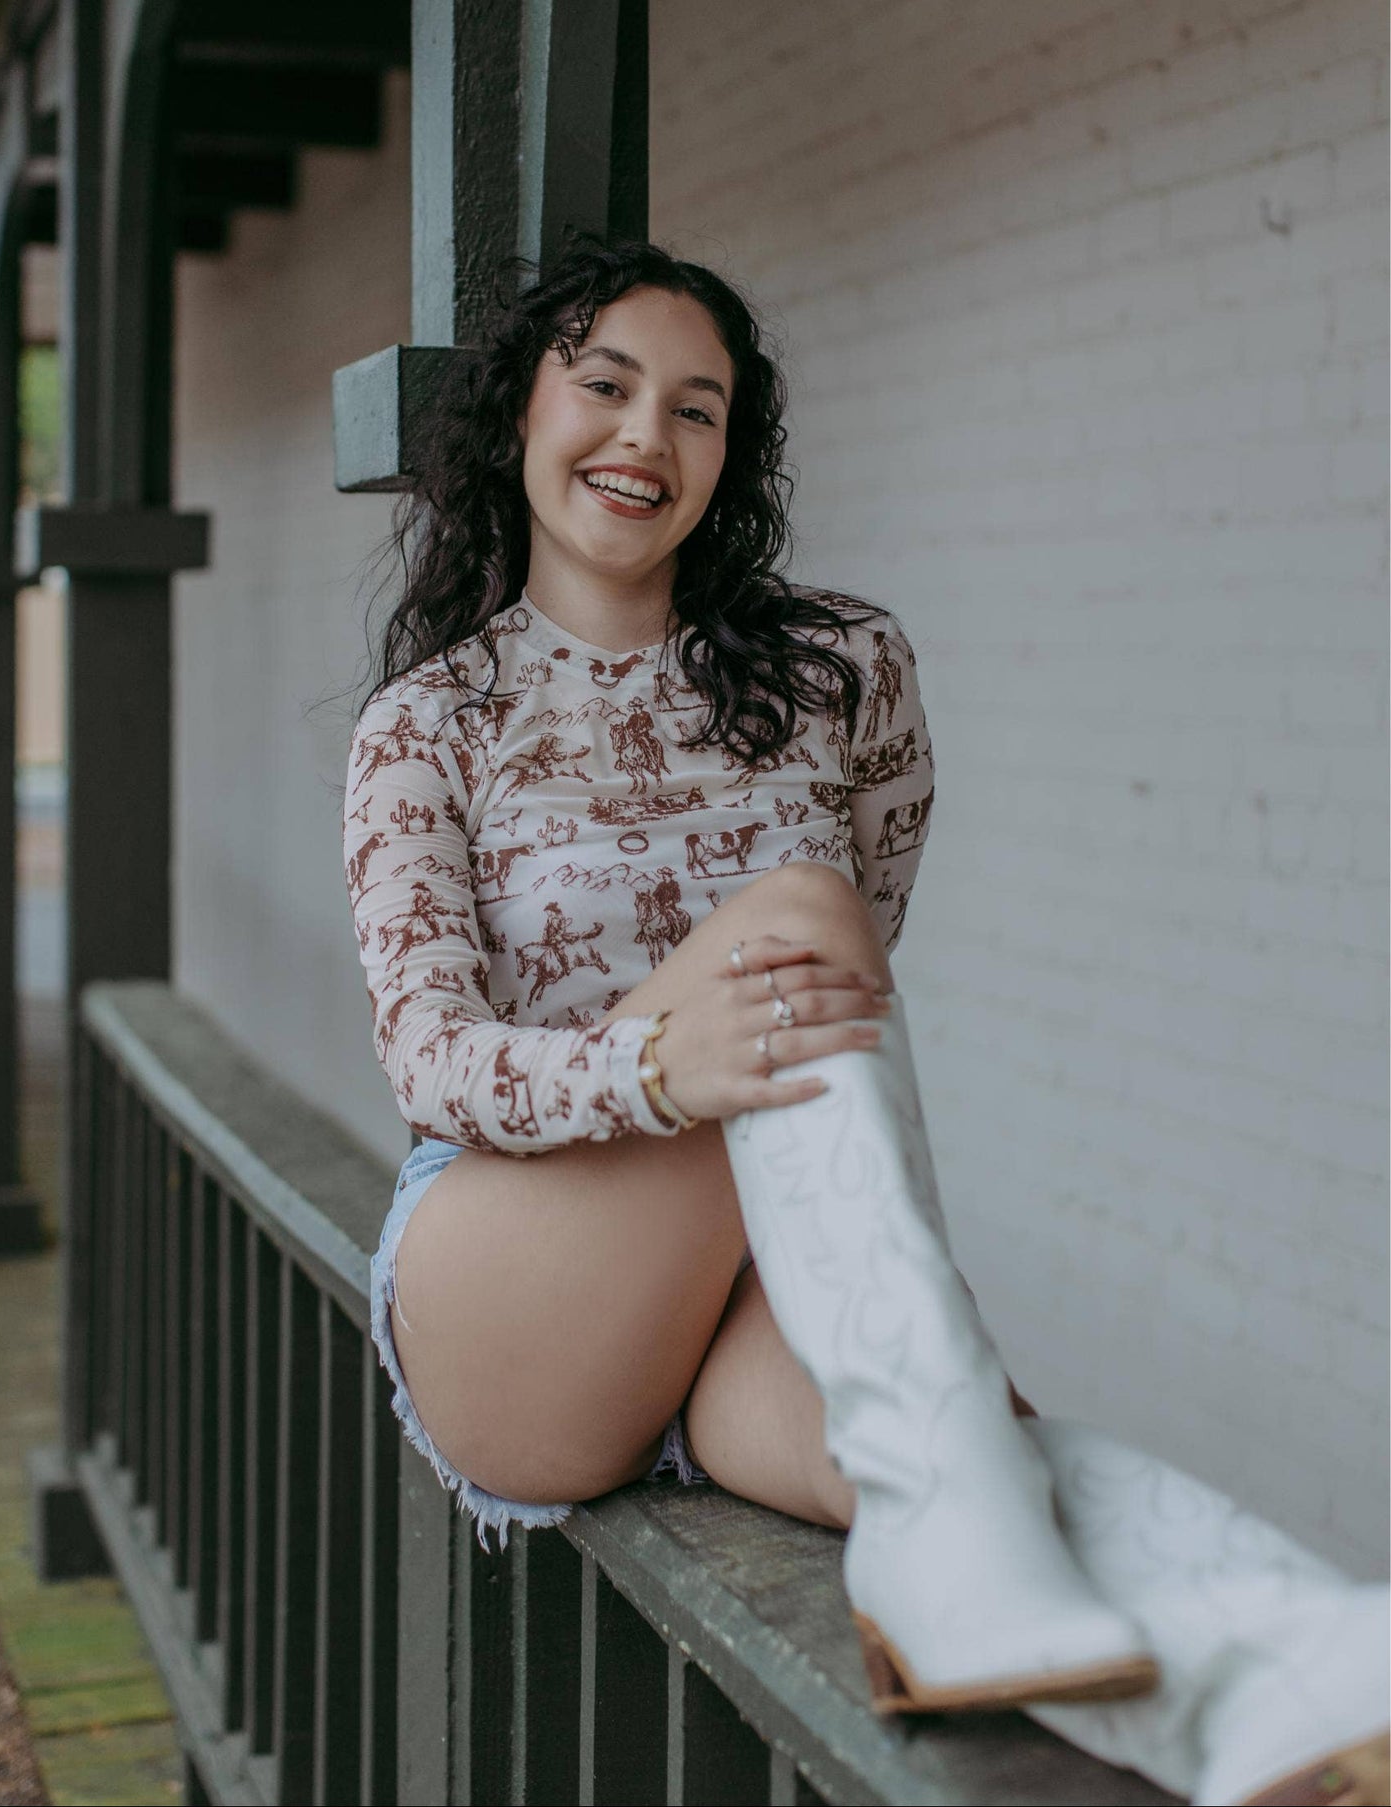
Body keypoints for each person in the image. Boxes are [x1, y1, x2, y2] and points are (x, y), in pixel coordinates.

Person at [345, 237, 1388, 1806]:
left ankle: (1305, 1684)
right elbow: (429, 1055)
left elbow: (853, 1015)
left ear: (728, 457)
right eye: (606, 387)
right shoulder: (431, 721)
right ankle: (979, 1572)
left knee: (968, 1448)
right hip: (521, 1287)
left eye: (696, 410)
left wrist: (732, 1080)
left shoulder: (844, 668)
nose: (644, 438)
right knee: (799, 921)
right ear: (517, 418)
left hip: (756, 1264)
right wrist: (655, 1063)